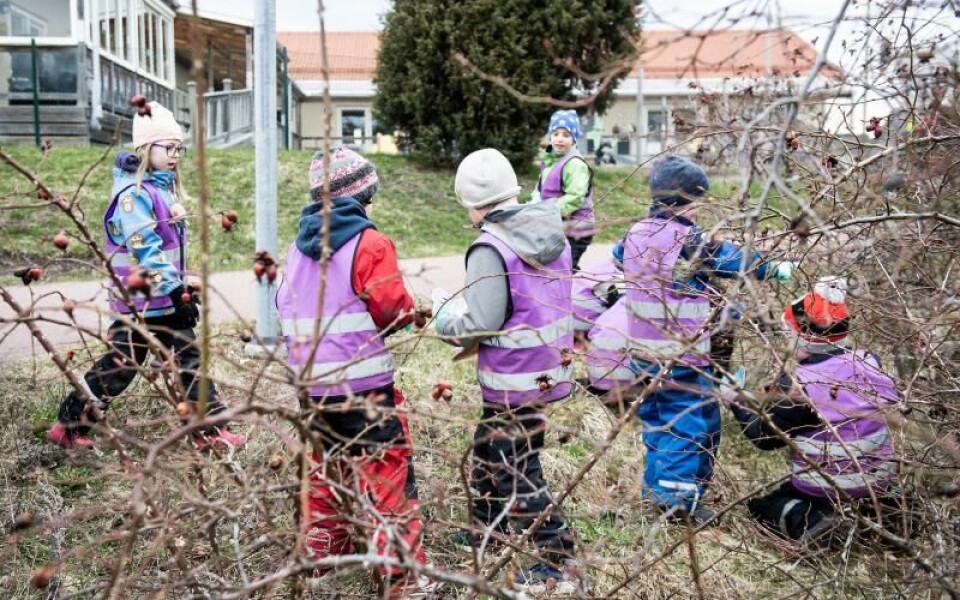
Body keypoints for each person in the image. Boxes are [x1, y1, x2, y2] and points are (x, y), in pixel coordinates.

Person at [47, 100, 245, 451]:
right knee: (120, 366)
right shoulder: (133, 196)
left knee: (189, 358)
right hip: (139, 304)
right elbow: (146, 249)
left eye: (178, 148)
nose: (175, 154)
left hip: (162, 300)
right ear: (145, 147)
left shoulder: (160, 189)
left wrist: (182, 285)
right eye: (168, 147)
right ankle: (70, 425)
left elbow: (166, 249)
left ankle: (209, 431)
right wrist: (174, 292)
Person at [275, 147, 430, 597]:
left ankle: (322, 552)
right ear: (362, 195)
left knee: (327, 466)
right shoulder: (371, 243)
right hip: (364, 387)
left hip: (312, 387)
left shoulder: (295, 250)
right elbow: (390, 308)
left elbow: (283, 305)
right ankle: (401, 575)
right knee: (385, 474)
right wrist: (412, 312)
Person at [617, 155, 794, 524]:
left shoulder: (634, 233)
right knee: (689, 427)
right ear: (686, 201)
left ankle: (657, 489)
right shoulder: (689, 240)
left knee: (658, 422)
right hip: (682, 357)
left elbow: (620, 257)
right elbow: (731, 260)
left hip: (643, 355)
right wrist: (772, 267)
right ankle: (677, 506)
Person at [434, 148, 579, 593]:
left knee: (517, 466)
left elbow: (482, 320)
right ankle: (489, 527)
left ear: (472, 202)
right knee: (489, 446)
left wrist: (443, 317)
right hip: (548, 370)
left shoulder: (489, 247)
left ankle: (556, 559)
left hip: (511, 378)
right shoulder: (550, 231)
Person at [724, 277, 900, 547]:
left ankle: (816, 522)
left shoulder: (799, 386)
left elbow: (763, 438)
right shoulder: (869, 362)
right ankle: (884, 514)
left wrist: (736, 401)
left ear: (802, 341)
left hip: (826, 486)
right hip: (879, 481)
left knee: (762, 507)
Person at [532, 109, 595, 270]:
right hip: (557, 224)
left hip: (577, 229)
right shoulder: (550, 160)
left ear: (574, 139)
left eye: (566, 135)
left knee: (565, 268)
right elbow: (541, 189)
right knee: (554, 266)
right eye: (556, 134)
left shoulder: (574, 164)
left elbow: (575, 197)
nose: (560, 139)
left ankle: (579, 290)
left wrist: (548, 210)